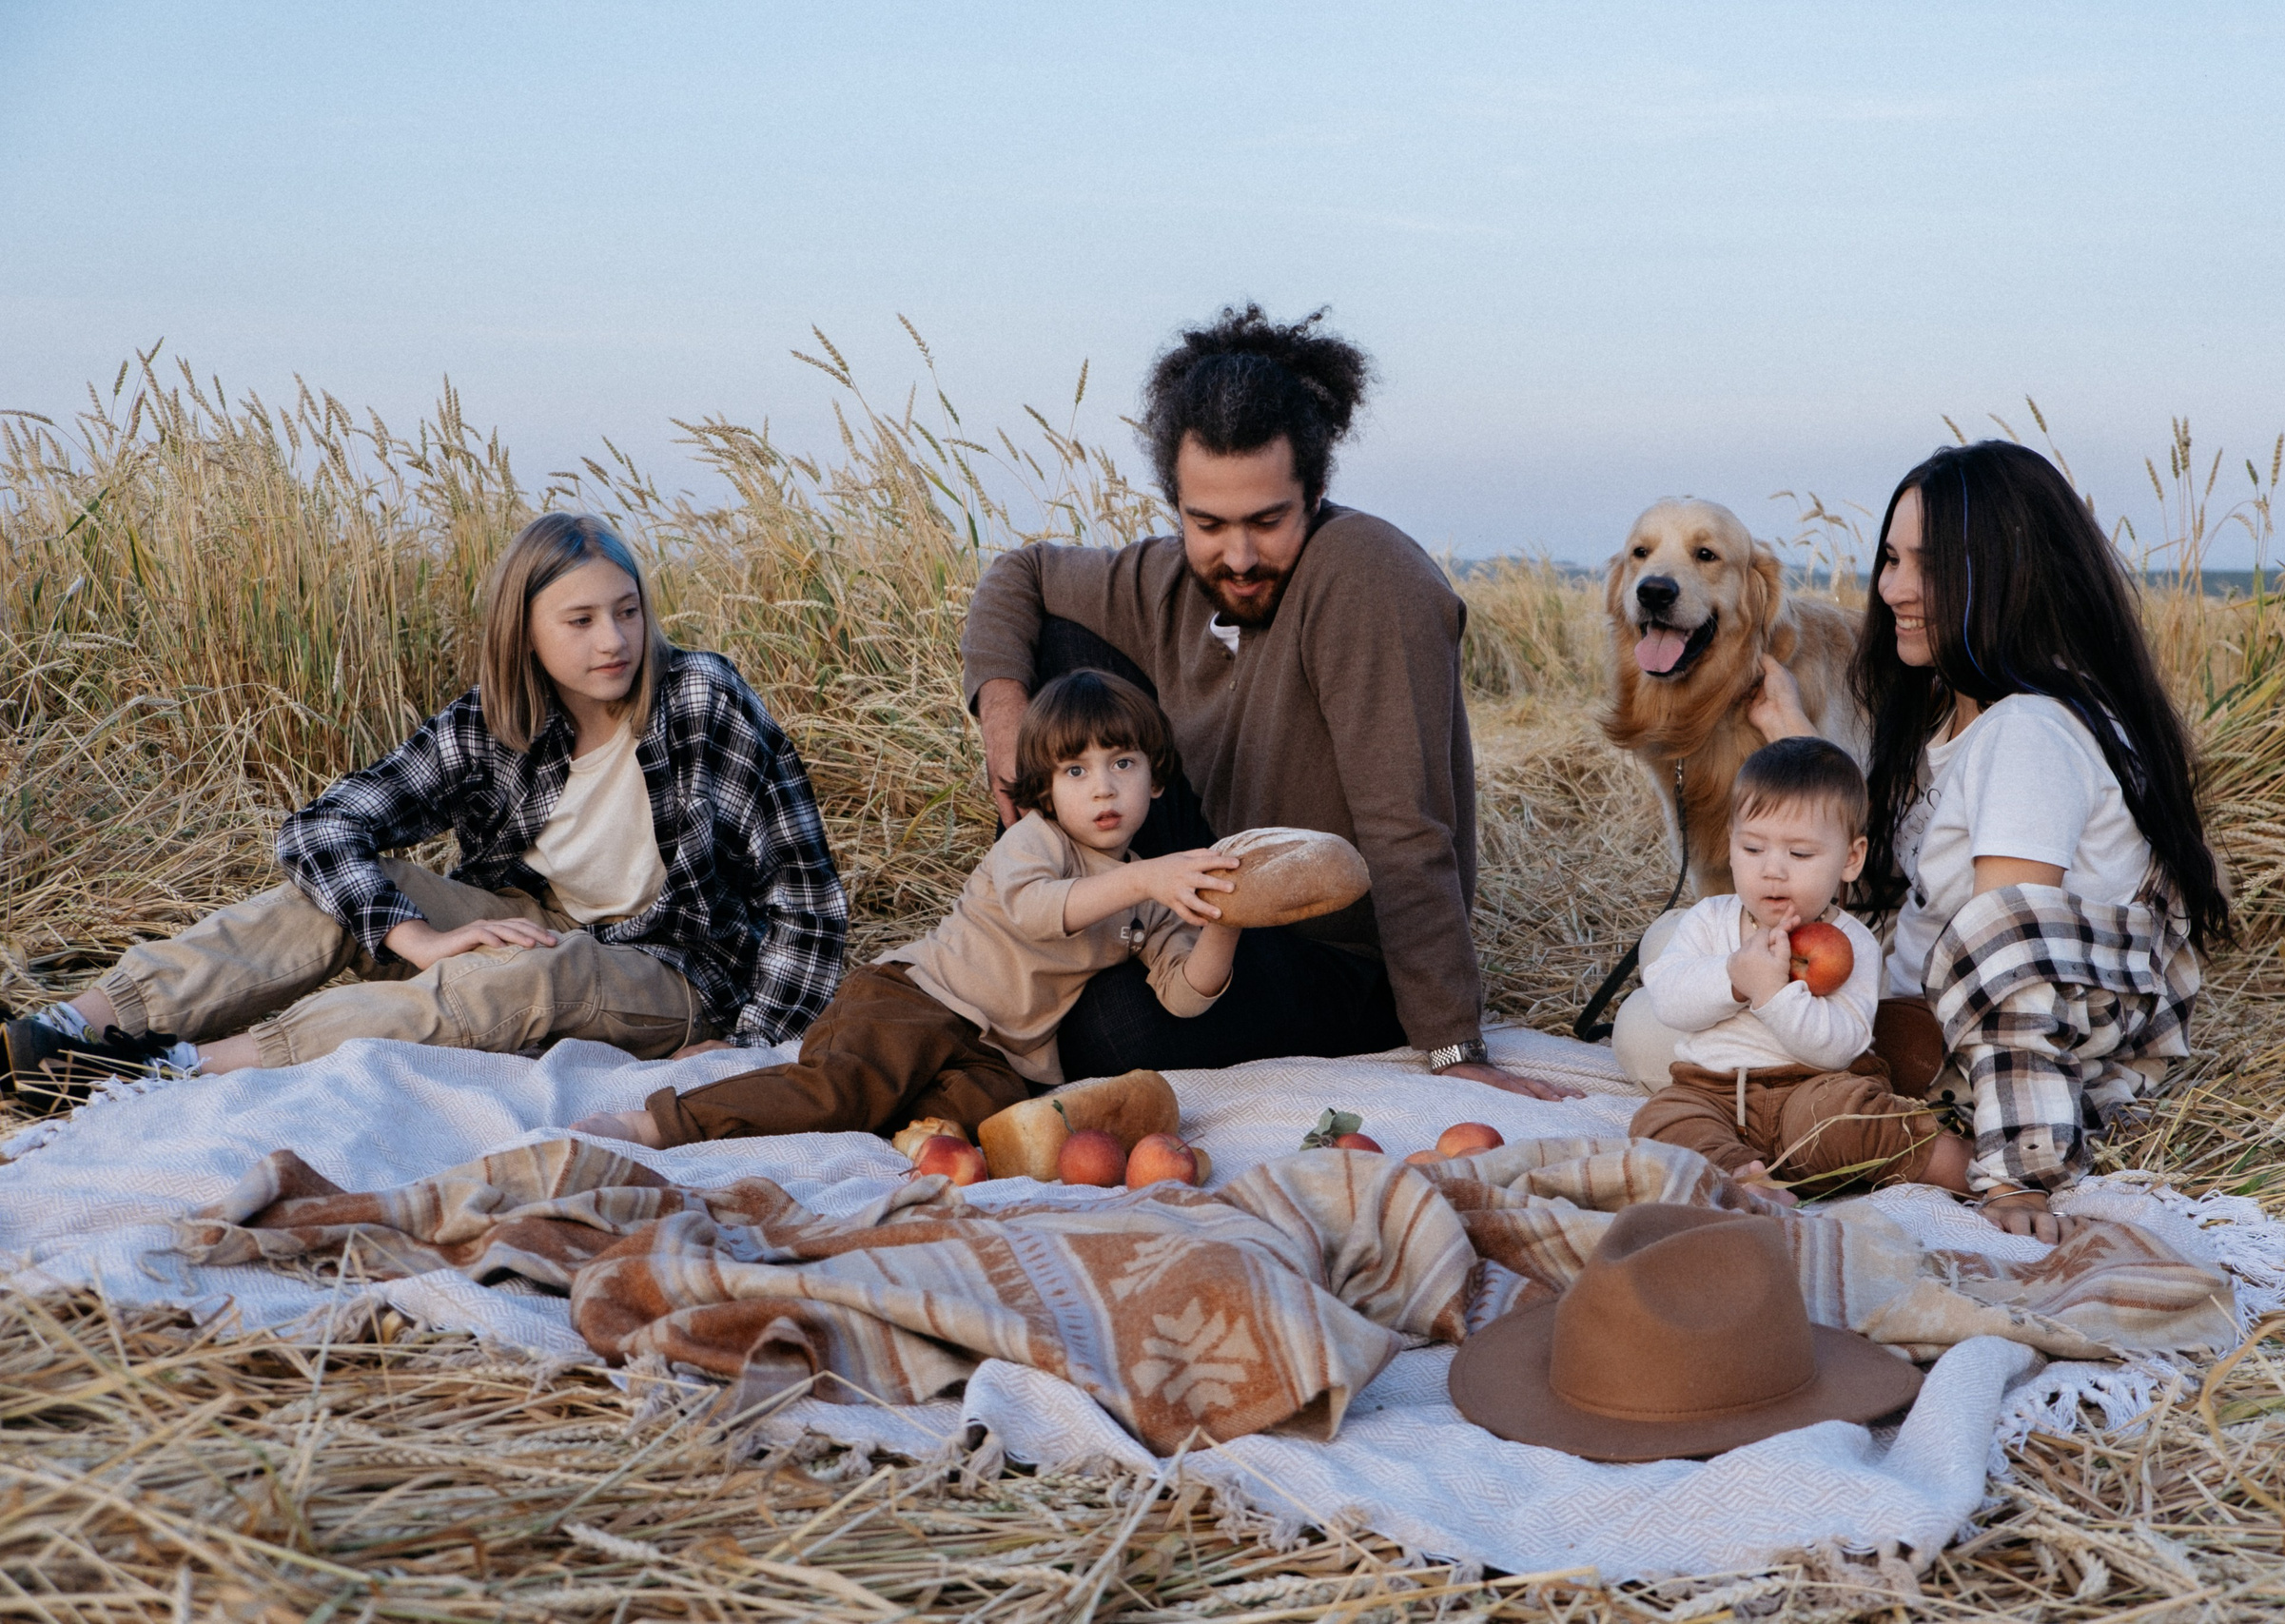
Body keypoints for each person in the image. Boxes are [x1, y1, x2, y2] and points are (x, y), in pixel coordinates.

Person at [0, 514, 850, 1107]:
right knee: (340, 893)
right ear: (524, 633)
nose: (613, 641)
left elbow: (806, 896)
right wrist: (417, 935)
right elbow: (321, 830)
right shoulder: (494, 722)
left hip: (676, 968)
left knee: (524, 975)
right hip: (534, 918)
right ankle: (71, 1027)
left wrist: (750, 1045)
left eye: (626, 612)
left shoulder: (701, 697)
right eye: (581, 619)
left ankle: (173, 1072)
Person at [960, 304, 1577, 1102]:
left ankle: (1081, 969)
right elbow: (1023, 574)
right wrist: (1005, 722)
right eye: (1207, 522)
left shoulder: (1366, 580)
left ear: (1315, 492)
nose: (1239, 556)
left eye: (1268, 520)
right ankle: (1043, 932)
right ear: (1175, 502)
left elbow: (1406, 824)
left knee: (1104, 1032)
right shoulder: (1168, 577)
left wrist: (1455, 1047)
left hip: (1332, 949)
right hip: (1205, 886)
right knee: (1064, 654)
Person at [1734, 440, 2226, 1242]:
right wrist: (1788, 729)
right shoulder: (1966, 718)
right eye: (1889, 559)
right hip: (1909, 1022)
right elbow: (1895, 887)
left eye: (1927, 566)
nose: (1892, 588)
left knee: (1780, 1107)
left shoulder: (2027, 734)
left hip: (1968, 1064)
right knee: (1673, 988)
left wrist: (2014, 1181)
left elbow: (2009, 957)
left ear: (2007, 573)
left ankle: (1951, 1156)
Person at [575, 670, 1242, 1147]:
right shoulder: (1034, 841)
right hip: (916, 997)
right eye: (1076, 771)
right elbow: (1042, 911)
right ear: (1044, 790)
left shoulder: (1151, 893)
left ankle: (824, 1105)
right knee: (840, 1091)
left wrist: (1227, 920)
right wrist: (1153, 877)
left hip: (999, 1055)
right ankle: (658, 1121)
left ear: (1154, 778)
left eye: (1121, 763)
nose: (1102, 787)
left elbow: (1186, 994)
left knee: (982, 1123)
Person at [1632, 738, 1969, 1203]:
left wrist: (1773, 995)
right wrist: (1733, 976)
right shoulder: (1710, 920)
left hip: (1811, 1093)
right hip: (1714, 1092)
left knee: (1849, 1117)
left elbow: (1840, 1047)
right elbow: (1668, 999)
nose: (1773, 870)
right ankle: (1741, 1173)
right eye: (1752, 848)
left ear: (1850, 859)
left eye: (1800, 855)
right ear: (1730, 846)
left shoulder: (1852, 944)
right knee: (1659, 1118)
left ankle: (1956, 1163)